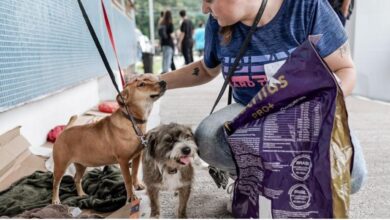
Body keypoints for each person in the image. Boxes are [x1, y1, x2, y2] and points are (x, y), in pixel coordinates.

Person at [139, 0, 367, 202]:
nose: (204, 8)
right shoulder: (216, 23)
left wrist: (311, 112)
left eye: (209, 0)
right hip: (248, 110)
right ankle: (250, 183)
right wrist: (159, 81)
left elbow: (345, 69)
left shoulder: (307, 7)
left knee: (352, 174)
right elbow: (206, 69)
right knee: (208, 137)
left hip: (305, 111)